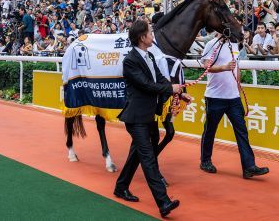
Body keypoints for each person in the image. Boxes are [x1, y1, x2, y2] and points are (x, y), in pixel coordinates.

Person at [114, 20, 184, 217]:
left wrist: (178, 91)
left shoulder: (150, 56)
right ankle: (163, 203)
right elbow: (146, 85)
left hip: (148, 115)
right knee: (148, 159)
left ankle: (121, 187)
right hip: (136, 117)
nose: (153, 36)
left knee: (137, 153)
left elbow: (160, 80)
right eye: (150, 33)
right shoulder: (130, 61)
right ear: (142, 37)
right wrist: (170, 88)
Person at [200, 32, 269, 179]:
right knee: (210, 130)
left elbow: (236, 65)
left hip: (233, 98)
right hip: (215, 97)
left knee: (242, 131)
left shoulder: (234, 45)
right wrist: (223, 67)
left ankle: (249, 167)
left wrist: (237, 85)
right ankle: (205, 160)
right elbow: (206, 66)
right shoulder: (211, 44)